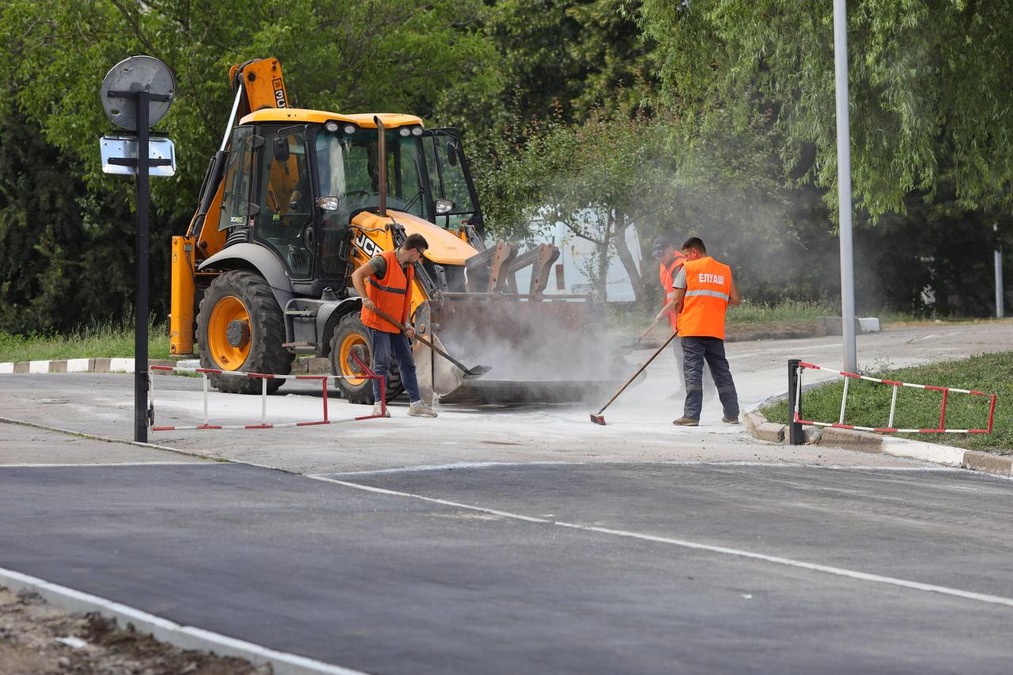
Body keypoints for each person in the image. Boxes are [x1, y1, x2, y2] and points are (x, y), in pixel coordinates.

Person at [655, 236, 741, 426]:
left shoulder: (688, 269)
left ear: (694, 252)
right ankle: (732, 413)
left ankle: (691, 415)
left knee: (693, 372)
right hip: (714, 330)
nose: (685, 259)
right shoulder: (724, 270)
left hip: (692, 330)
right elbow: (734, 299)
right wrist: (713, 304)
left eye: (687, 255)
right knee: (721, 372)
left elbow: (676, 302)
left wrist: (680, 316)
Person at [351, 232, 438, 418]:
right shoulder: (382, 261)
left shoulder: (408, 269)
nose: (419, 258)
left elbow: (404, 299)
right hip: (378, 320)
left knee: (407, 362)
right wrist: (365, 298)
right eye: (420, 254)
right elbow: (357, 275)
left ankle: (415, 404)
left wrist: (407, 323)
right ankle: (378, 405)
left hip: (396, 324)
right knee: (381, 362)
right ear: (414, 251)